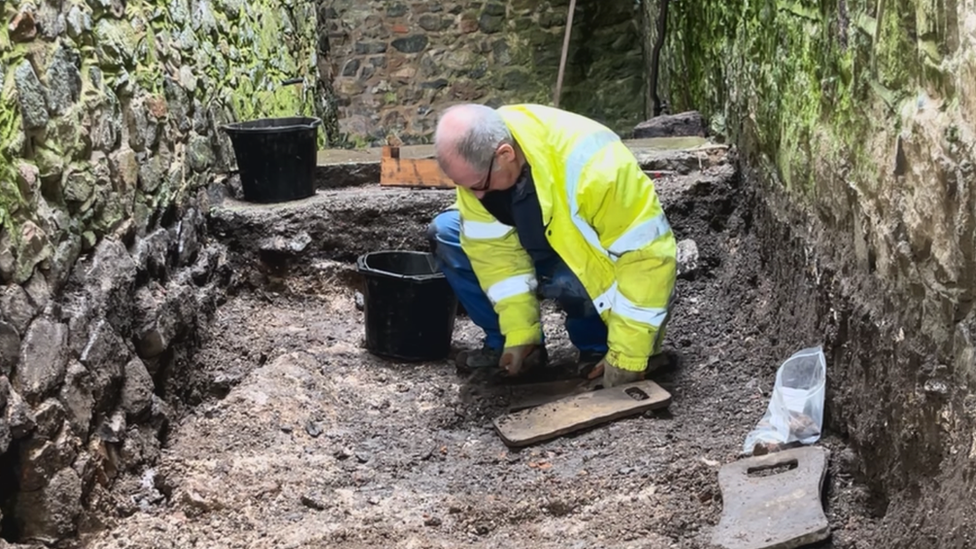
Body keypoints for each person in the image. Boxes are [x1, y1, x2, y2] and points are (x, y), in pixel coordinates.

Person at [425, 103, 677, 388]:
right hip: (544, 246)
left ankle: (601, 345)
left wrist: (628, 356)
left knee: (564, 277)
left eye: (478, 185)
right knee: (447, 231)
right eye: (466, 187)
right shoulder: (481, 168)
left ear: (505, 154)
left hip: (593, 264)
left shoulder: (597, 167)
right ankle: (511, 345)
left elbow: (647, 259)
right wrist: (521, 334)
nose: (476, 196)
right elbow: (495, 256)